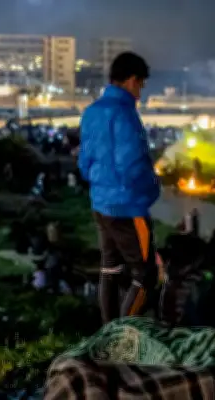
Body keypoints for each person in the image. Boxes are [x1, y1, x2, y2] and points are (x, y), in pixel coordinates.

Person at [78, 52, 160, 324]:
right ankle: (122, 334)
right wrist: (152, 189)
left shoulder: (92, 111)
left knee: (110, 270)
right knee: (146, 275)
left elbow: (84, 161)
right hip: (128, 206)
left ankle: (108, 330)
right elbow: (133, 164)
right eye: (141, 85)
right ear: (132, 80)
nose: (140, 92)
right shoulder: (125, 113)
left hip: (101, 203)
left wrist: (100, 184)